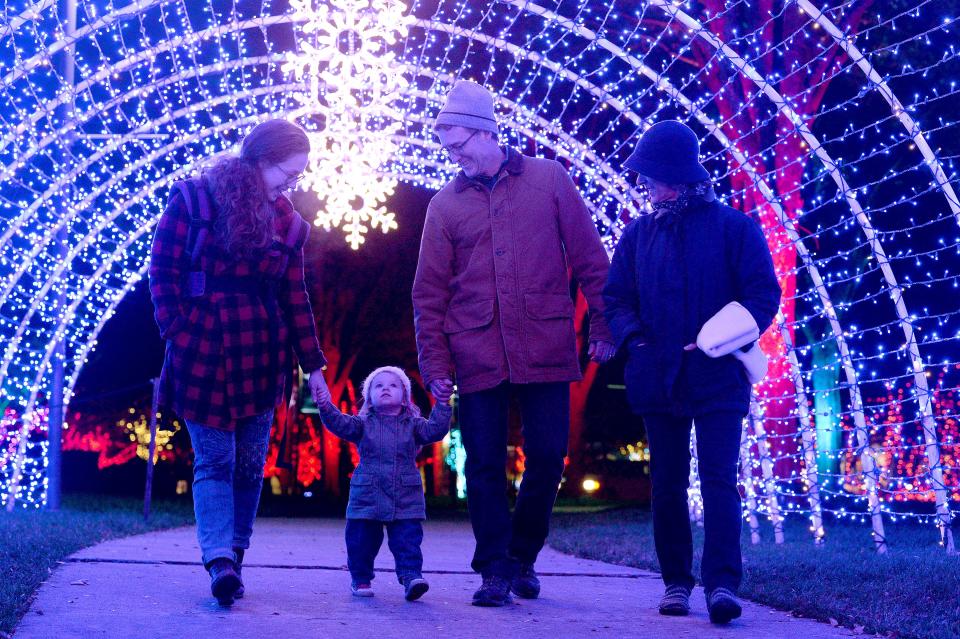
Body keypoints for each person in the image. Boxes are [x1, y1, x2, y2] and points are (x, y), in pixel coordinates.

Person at [412, 80, 616, 607]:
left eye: (458, 145)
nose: (453, 157)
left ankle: (523, 554)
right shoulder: (445, 205)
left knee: (548, 456)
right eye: (447, 149)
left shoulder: (549, 180)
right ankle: (494, 568)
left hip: (546, 343)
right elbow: (429, 293)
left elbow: (592, 261)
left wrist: (604, 326)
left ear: (485, 132)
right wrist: (434, 364)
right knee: (481, 464)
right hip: (475, 350)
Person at [602, 120, 781, 624]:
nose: (646, 187)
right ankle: (676, 582)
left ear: (677, 178)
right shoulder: (638, 235)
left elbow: (762, 296)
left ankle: (722, 584)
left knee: (719, 478)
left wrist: (717, 338)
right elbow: (616, 298)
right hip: (657, 375)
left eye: (652, 178)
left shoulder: (734, 228)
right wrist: (637, 341)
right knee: (667, 482)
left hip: (719, 376)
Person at [149, 119, 330, 606]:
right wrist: (176, 330)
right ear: (259, 159)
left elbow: (295, 298)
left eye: (297, 177)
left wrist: (314, 366)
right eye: (286, 173)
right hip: (201, 345)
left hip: (261, 351)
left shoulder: (289, 224)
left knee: (251, 464)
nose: (291, 184)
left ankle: (235, 555)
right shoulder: (195, 200)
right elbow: (163, 269)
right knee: (215, 459)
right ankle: (218, 559)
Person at [313, 366, 452, 601]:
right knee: (361, 540)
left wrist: (442, 403)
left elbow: (435, 431)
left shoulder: (414, 424)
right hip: (367, 494)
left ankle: (411, 576)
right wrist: (325, 405)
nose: (386, 388)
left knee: (408, 539)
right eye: (378, 386)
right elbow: (338, 423)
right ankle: (361, 578)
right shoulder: (362, 423)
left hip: (405, 495)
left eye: (393, 385)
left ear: (405, 397)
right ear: (369, 397)